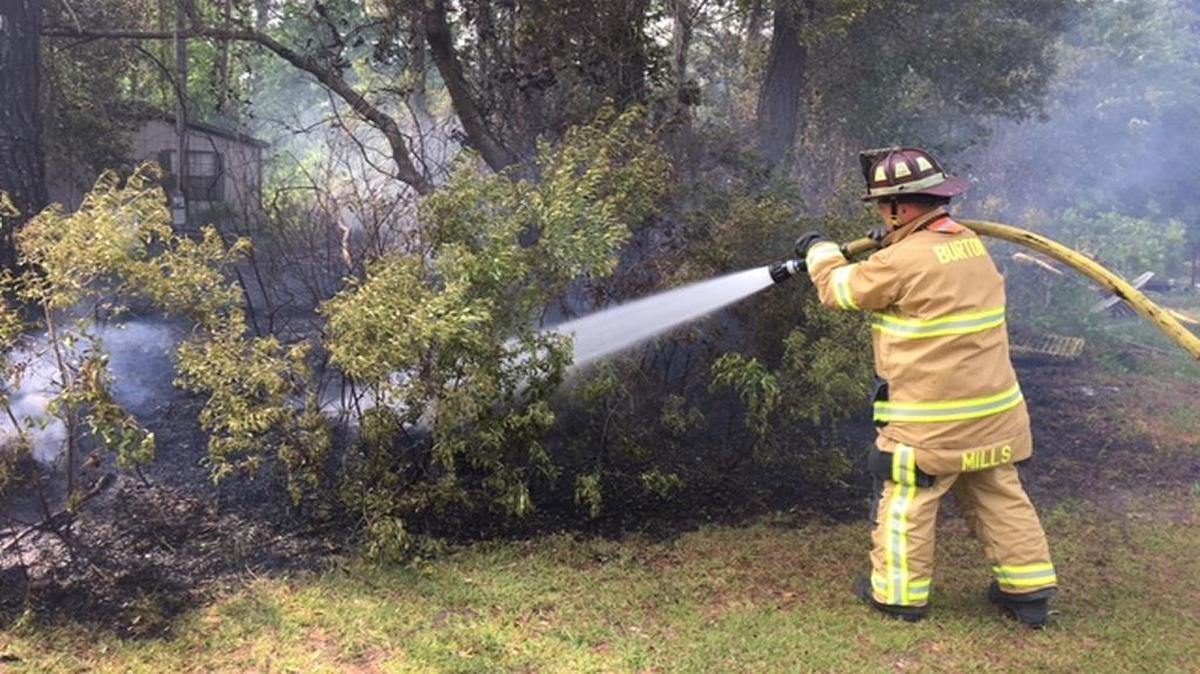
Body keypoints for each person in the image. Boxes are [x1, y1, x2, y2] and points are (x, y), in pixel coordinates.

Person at [795, 148, 1057, 627]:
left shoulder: (901, 261)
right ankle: (1030, 592)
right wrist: (889, 246)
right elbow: (926, 278)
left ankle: (898, 596)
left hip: (931, 424)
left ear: (900, 208)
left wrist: (820, 250)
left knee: (907, 503)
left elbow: (840, 290)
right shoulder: (972, 245)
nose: (879, 215)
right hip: (995, 415)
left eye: (881, 206)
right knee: (999, 494)